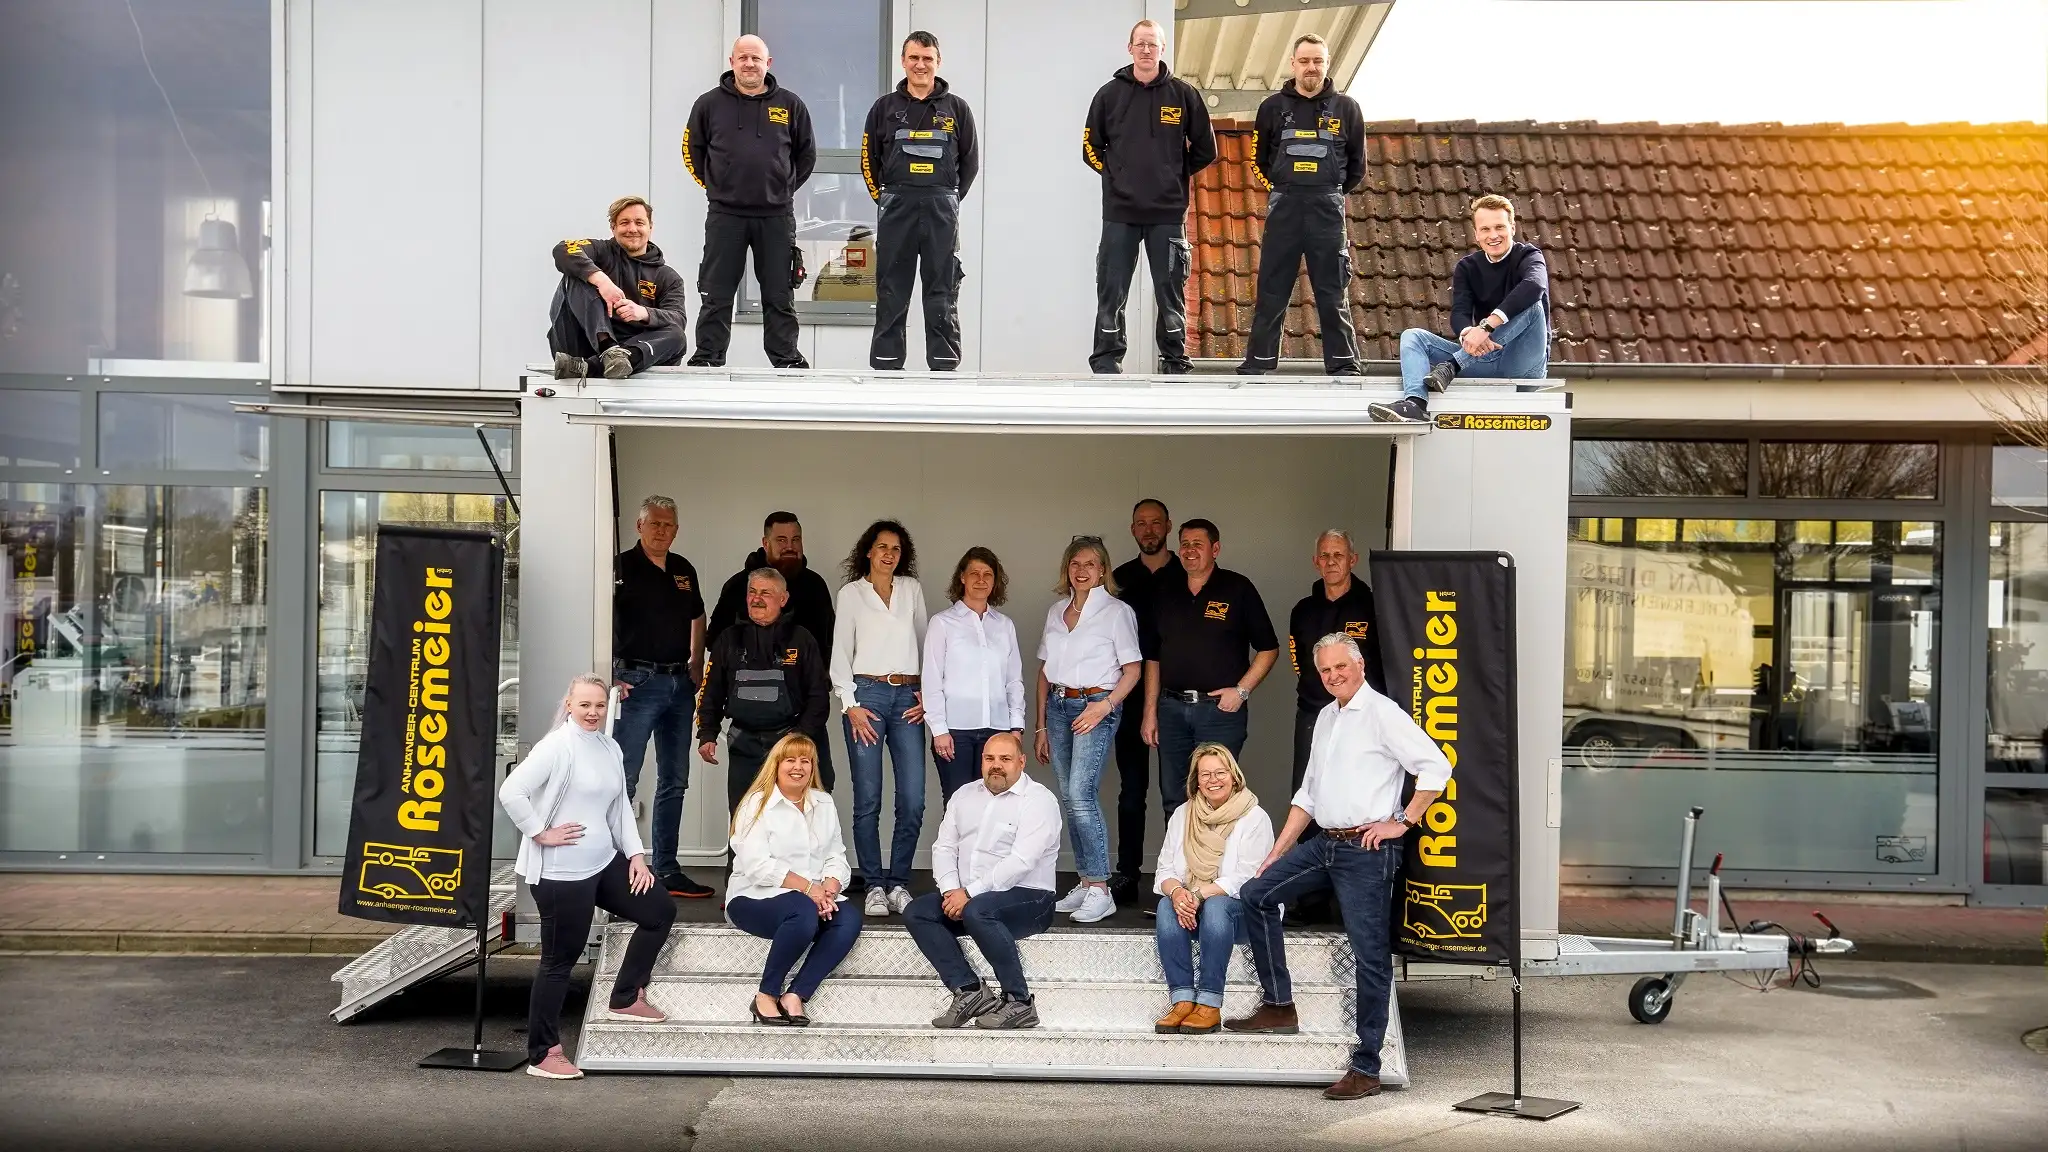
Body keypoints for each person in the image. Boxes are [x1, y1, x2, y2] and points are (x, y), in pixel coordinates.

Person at [1225, 635, 1452, 1101]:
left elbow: (1436, 767)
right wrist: (1277, 853)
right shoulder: (1327, 716)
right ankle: (1279, 1005)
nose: (1333, 676)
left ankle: (1367, 1066)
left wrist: (1403, 821)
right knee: (1257, 894)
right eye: (1325, 670)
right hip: (1324, 844)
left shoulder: (1382, 712)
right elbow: (1307, 795)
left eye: (1339, 667)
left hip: (1366, 853)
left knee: (1369, 956)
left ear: (1359, 665)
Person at [501, 675, 676, 1081]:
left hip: (602, 863)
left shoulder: (609, 747)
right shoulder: (557, 746)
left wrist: (636, 855)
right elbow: (512, 791)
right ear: (569, 704)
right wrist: (539, 831)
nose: (593, 712)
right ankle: (543, 1053)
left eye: (599, 705)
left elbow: (619, 808)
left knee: (658, 910)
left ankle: (626, 997)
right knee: (560, 961)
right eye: (585, 705)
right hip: (562, 873)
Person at [1081, 19, 1216, 375]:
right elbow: (1090, 148)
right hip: (1120, 213)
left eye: (1152, 44)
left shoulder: (1184, 95)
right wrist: (1116, 178)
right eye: (1140, 44)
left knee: (1170, 294)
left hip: (1168, 214)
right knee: (1112, 291)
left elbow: (1206, 149)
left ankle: (1174, 362)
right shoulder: (1108, 95)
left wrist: (1173, 175)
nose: (1145, 50)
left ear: (1162, 49)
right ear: (1130, 48)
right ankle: (1107, 362)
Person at [901, 731, 1061, 1031]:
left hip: (1030, 899)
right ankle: (969, 991)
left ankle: (1019, 1002)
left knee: (979, 910)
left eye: (1005, 759)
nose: (996, 765)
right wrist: (951, 890)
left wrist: (969, 894)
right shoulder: (964, 795)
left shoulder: (1039, 801)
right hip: (970, 897)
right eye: (989, 758)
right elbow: (944, 847)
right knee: (917, 912)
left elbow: (1021, 862)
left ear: (1022, 762)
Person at [1236, 34, 1366, 377]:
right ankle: (1258, 363)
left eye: (1318, 61)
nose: (1311, 67)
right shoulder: (1271, 107)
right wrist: (1283, 189)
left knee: (1332, 291)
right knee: (1272, 290)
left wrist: (1331, 192)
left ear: (1327, 63)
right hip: (1285, 209)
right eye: (1305, 61)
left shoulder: (1347, 108)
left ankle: (1343, 365)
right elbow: (1257, 159)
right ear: (1293, 64)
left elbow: (1358, 166)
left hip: (1327, 211)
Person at [682, 35, 815, 369]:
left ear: (768, 64)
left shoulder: (791, 105)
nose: (749, 64)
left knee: (779, 294)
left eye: (756, 58)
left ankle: (785, 358)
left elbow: (806, 155)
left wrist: (782, 190)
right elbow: (691, 152)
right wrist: (717, 187)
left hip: (776, 215)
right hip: (726, 213)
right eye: (743, 57)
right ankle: (709, 357)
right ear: (732, 62)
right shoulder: (708, 104)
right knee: (716, 292)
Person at [1035, 536, 1142, 924]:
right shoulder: (1056, 612)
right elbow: (1044, 672)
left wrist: (1105, 706)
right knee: (1069, 795)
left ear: (1102, 570)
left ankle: (1100, 888)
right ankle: (1084, 882)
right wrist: (1040, 725)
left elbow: (1133, 671)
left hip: (1095, 705)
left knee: (1082, 794)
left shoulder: (1117, 612)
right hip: (1060, 707)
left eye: (1090, 564)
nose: (1081, 570)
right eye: (1075, 564)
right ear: (1068, 569)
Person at [1141, 518, 1278, 816]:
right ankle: (1181, 864)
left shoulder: (1237, 588)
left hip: (1219, 712)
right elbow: (1152, 656)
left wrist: (1241, 691)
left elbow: (1269, 648)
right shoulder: (1164, 589)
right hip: (1171, 709)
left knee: (1219, 797)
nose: (1190, 551)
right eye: (1185, 544)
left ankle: (1215, 865)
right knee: (1174, 800)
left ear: (1215, 549)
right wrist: (1150, 711)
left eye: (1198, 544)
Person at [1374, 193, 1551, 423]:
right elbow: (1460, 312)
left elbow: (1534, 286)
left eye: (1499, 227)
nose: (1493, 235)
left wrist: (1485, 327)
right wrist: (1469, 333)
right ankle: (1415, 404)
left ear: (1512, 227)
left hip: (1524, 364)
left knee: (1533, 305)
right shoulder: (1467, 267)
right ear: (1476, 234)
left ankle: (1455, 364)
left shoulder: (1529, 255)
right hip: (1484, 356)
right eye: (1485, 229)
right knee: (1413, 337)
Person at [612, 495, 713, 898]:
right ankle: (617, 870)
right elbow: (598, 615)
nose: (661, 531)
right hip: (635, 683)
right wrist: (611, 674)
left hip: (678, 685)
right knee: (624, 779)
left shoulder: (683, 569)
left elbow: (697, 615)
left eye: (668, 525)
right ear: (639, 526)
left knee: (675, 780)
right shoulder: (619, 567)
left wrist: (697, 662)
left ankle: (666, 870)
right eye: (654, 524)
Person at [861, 30, 979, 372]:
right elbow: (868, 160)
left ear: (938, 62)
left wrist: (949, 199)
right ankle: (886, 365)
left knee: (942, 290)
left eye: (927, 58)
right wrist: (884, 199)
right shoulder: (884, 108)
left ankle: (943, 365)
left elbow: (969, 163)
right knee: (891, 290)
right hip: (897, 208)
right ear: (903, 62)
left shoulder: (957, 109)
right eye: (914, 58)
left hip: (941, 209)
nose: (920, 64)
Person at [724, 732, 862, 1026]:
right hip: (753, 898)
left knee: (848, 917)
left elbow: (836, 855)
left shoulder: (823, 803)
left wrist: (829, 888)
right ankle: (766, 995)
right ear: (776, 764)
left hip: (811, 899)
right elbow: (757, 866)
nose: (798, 767)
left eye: (805, 760)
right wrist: (810, 889)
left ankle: (796, 994)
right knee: (802, 910)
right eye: (790, 760)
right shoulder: (756, 804)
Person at [1284, 529, 1388, 915]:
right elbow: (1301, 663)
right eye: (1324, 555)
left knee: (1357, 799)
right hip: (1313, 714)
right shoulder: (1303, 610)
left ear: (1352, 559)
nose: (1330, 562)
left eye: (1338, 555)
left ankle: (1350, 899)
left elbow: (1385, 662)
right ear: (1316, 561)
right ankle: (1310, 898)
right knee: (1309, 795)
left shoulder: (1374, 606)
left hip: (1361, 717)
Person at [830, 519, 929, 918]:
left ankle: (899, 882)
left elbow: (927, 645)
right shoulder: (851, 594)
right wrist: (849, 704)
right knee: (868, 797)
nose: (889, 554)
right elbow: (841, 651)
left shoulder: (912, 590)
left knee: (912, 797)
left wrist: (929, 694)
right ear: (868, 552)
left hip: (908, 697)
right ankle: (873, 884)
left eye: (896, 548)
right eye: (882, 547)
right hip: (866, 695)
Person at [706, 512, 837, 788]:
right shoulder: (736, 588)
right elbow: (716, 654)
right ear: (766, 543)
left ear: (783, 598)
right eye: (782, 539)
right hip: (747, 731)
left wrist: (805, 724)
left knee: (814, 800)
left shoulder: (816, 587)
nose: (790, 546)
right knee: (746, 812)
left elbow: (829, 644)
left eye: (795, 539)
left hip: (802, 724)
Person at [1153, 743, 1274, 1036]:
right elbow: (1164, 870)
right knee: (1166, 905)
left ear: (1234, 776)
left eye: (1220, 772)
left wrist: (1197, 895)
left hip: (1242, 916)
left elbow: (1248, 878)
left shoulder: (1254, 817)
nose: (1213, 780)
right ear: (1196, 780)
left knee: (1218, 906)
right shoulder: (1183, 814)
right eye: (1205, 774)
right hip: (1193, 913)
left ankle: (1209, 1003)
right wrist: (1179, 894)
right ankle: (1182, 1000)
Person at [696, 567, 830, 823]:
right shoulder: (728, 639)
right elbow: (710, 691)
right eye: (752, 592)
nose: (756, 598)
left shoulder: (801, 639)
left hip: (786, 747)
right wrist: (707, 733)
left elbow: (818, 696)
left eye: (765, 593)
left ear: (783, 599)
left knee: (789, 821)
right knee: (742, 819)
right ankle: (737, 866)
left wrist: (797, 739)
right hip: (742, 744)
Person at [1109, 498, 1183, 904]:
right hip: (1129, 696)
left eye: (1156, 523)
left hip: (1179, 699)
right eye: (1142, 523)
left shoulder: (1187, 572)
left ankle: (1181, 873)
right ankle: (1127, 874)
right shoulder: (1118, 579)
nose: (1149, 530)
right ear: (1133, 529)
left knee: (1180, 793)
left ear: (1168, 526)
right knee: (1132, 789)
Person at [923, 547, 1025, 803]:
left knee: (997, 802)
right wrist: (939, 730)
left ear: (995, 580)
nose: (981, 580)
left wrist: (1016, 728)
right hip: (955, 731)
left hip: (997, 730)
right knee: (959, 804)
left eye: (988, 574)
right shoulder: (942, 623)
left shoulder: (1005, 625)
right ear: (962, 577)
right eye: (974, 573)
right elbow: (932, 679)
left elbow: (1013, 680)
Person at [549, 196, 688, 379]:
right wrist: (601, 281)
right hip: (581, 343)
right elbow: (564, 249)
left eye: (639, 222)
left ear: (650, 227)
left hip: (632, 352)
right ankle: (608, 350)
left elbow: (678, 318)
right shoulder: (600, 251)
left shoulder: (668, 277)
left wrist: (643, 313)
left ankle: (593, 367)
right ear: (613, 228)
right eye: (624, 222)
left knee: (677, 335)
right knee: (576, 273)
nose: (632, 229)